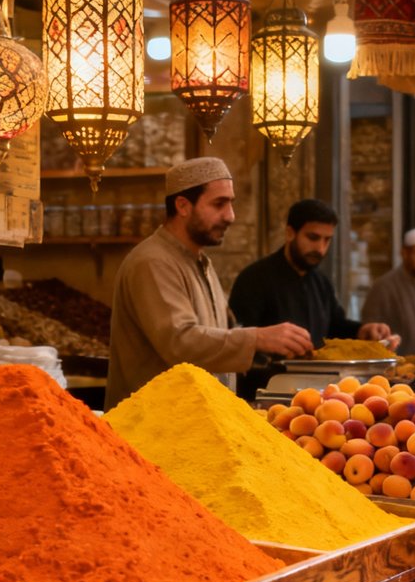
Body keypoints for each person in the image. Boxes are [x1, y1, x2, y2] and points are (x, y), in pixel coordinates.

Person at [106, 158, 311, 408]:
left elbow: (222, 332)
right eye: (219, 204)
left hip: (195, 423)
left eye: (231, 203)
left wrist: (274, 347)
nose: (230, 216)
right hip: (153, 427)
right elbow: (179, 342)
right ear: (183, 205)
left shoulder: (201, 262)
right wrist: (256, 338)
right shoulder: (152, 262)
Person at [229, 199, 397, 349]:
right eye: (313, 237)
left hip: (317, 382)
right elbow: (240, 341)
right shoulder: (254, 279)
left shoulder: (321, 282)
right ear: (290, 233)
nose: (320, 248)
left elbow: (334, 328)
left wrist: (362, 331)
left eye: (327, 240)